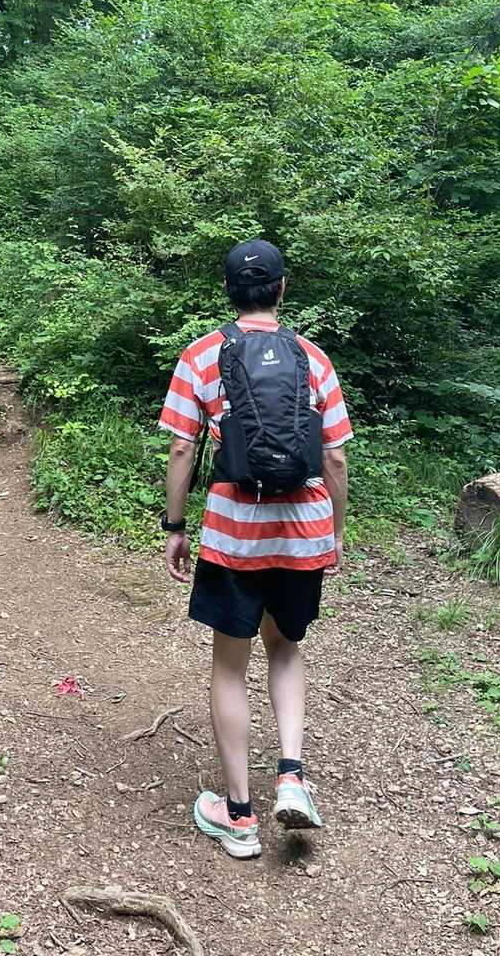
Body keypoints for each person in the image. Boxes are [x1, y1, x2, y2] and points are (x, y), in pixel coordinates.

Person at [158, 239, 352, 859]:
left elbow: (183, 448)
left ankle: (239, 817)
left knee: (229, 664)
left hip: (234, 534)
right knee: (286, 647)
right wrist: (335, 532)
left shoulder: (201, 355)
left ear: (229, 291)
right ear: (281, 288)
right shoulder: (312, 358)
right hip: (303, 529)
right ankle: (291, 776)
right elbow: (335, 457)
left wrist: (175, 525)